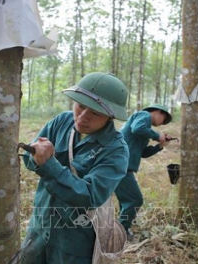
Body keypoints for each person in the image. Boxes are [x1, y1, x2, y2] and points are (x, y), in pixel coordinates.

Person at [20, 72, 129, 264]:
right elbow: (30, 159)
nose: (83, 117)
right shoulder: (62, 122)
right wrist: (36, 155)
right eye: (80, 106)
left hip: (76, 238)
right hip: (40, 224)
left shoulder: (116, 149)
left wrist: (49, 164)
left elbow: (90, 195)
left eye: (95, 112)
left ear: (110, 116)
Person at [114, 104, 173, 241]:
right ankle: (120, 233)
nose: (161, 124)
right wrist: (157, 135)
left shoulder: (144, 131)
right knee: (135, 199)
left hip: (122, 165)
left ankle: (121, 228)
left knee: (126, 200)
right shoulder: (144, 116)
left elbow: (143, 153)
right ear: (158, 112)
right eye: (163, 120)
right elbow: (137, 128)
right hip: (119, 164)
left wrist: (160, 146)